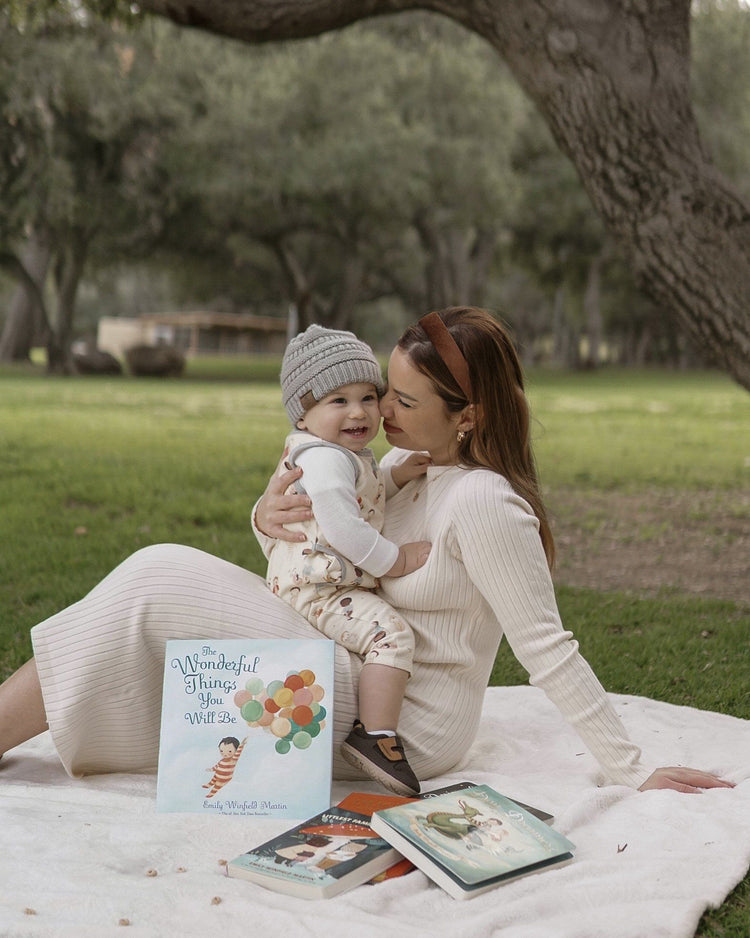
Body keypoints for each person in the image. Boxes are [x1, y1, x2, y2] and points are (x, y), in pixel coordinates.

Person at [0, 307, 733, 797]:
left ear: (468, 418)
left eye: (403, 404)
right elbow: (322, 544)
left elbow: (546, 644)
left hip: (406, 718)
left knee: (158, 579)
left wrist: (634, 770)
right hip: (346, 648)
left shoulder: (483, 504)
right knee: (161, 590)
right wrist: (265, 514)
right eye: (387, 391)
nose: (379, 412)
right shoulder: (404, 469)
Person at [269, 323, 432, 794]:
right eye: (337, 401)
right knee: (392, 636)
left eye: (367, 397)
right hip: (321, 587)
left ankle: (373, 729)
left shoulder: (333, 453)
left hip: (313, 581)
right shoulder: (325, 460)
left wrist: (393, 477)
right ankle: (375, 737)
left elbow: (360, 495)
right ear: (303, 413)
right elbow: (342, 526)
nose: (358, 412)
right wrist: (395, 561)